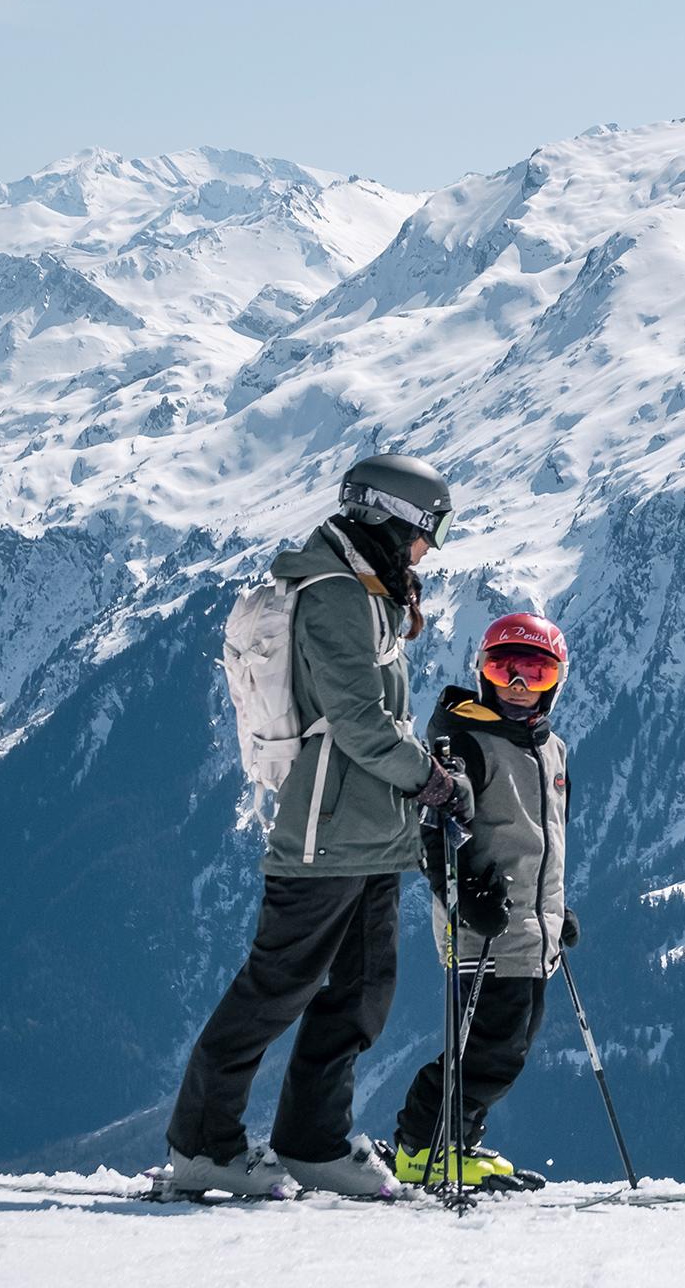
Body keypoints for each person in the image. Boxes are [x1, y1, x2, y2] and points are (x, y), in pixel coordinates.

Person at [163, 452, 469, 1198]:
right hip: (325, 830)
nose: (429, 549)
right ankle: (204, 1143)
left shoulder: (366, 590)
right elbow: (359, 722)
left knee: (362, 992)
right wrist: (430, 778)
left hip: (369, 830)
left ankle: (311, 1140)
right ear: (391, 521)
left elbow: (372, 719)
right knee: (278, 984)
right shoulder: (334, 594)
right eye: (427, 532)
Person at [392, 611, 577, 1191]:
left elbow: (542, 840)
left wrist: (555, 911)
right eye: (505, 669)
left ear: (556, 680)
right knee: (489, 1050)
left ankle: (457, 1142)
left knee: (509, 1046)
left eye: (535, 672)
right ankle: (422, 1149)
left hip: (529, 929)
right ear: (483, 673)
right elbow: (432, 832)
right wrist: (467, 895)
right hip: (483, 926)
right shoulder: (465, 742)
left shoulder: (552, 750)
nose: (519, 685)